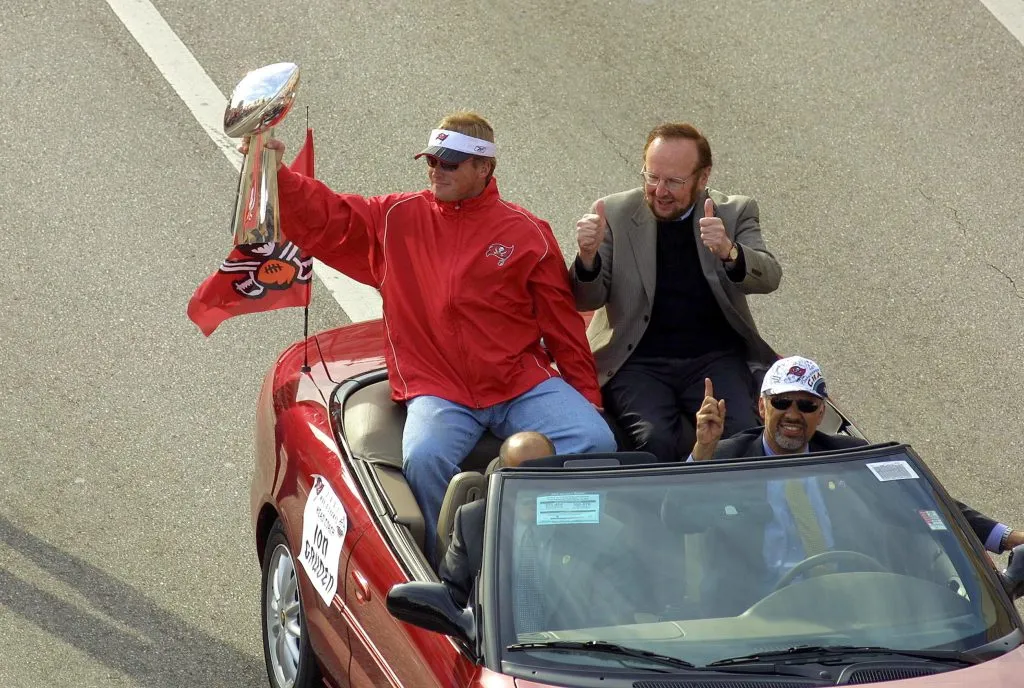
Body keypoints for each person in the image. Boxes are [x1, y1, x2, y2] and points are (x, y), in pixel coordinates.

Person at [260, 112, 616, 564]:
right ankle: (446, 572)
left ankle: (554, 549)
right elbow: (330, 216)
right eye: (432, 161)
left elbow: (564, 328)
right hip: (438, 388)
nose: (436, 171)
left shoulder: (527, 233)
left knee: (597, 443)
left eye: (450, 163)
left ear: (484, 169)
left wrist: (588, 399)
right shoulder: (395, 217)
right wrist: (280, 176)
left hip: (518, 383)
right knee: (424, 460)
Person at [570, 122, 782, 462]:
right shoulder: (615, 213)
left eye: (674, 181)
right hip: (636, 360)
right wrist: (587, 257)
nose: (660, 191)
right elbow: (587, 300)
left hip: (714, 357)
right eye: (652, 177)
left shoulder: (735, 211)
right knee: (654, 443)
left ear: (703, 177)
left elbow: (769, 277)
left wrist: (730, 251)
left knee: (743, 439)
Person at [690, 355, 1024, 563]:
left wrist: (1007, 538)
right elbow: (677, 519)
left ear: (821, 413)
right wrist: (702, 450)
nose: (793, 414)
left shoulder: (848, 456)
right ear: (762, 407)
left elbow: (924, 499)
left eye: (806, 406)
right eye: (782, 403)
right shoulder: (724, 459)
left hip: (850, 603)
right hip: (754, 617)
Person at [438, 431, 556, 607]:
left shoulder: (583, 523)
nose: (531, 489)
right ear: (501, 477)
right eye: (519, 478)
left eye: (540, 475)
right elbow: (453, 598)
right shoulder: (472, 521)